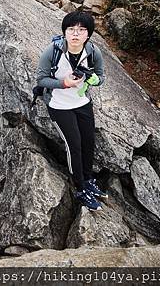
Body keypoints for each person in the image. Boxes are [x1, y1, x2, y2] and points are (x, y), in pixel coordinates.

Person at [36, 11, 107, 211]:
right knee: (74, 145)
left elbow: (101, 77)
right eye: (71, 29)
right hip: (59, 105)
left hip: (82, 102)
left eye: (81, 30)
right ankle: (80, 187)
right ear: (65, 32)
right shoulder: (53, 51)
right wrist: (63, 83)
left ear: (88, 35)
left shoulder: (93, 52)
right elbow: (41, 79)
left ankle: (88, 179)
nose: (76, 34)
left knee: (88, 143)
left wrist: (95, 80)